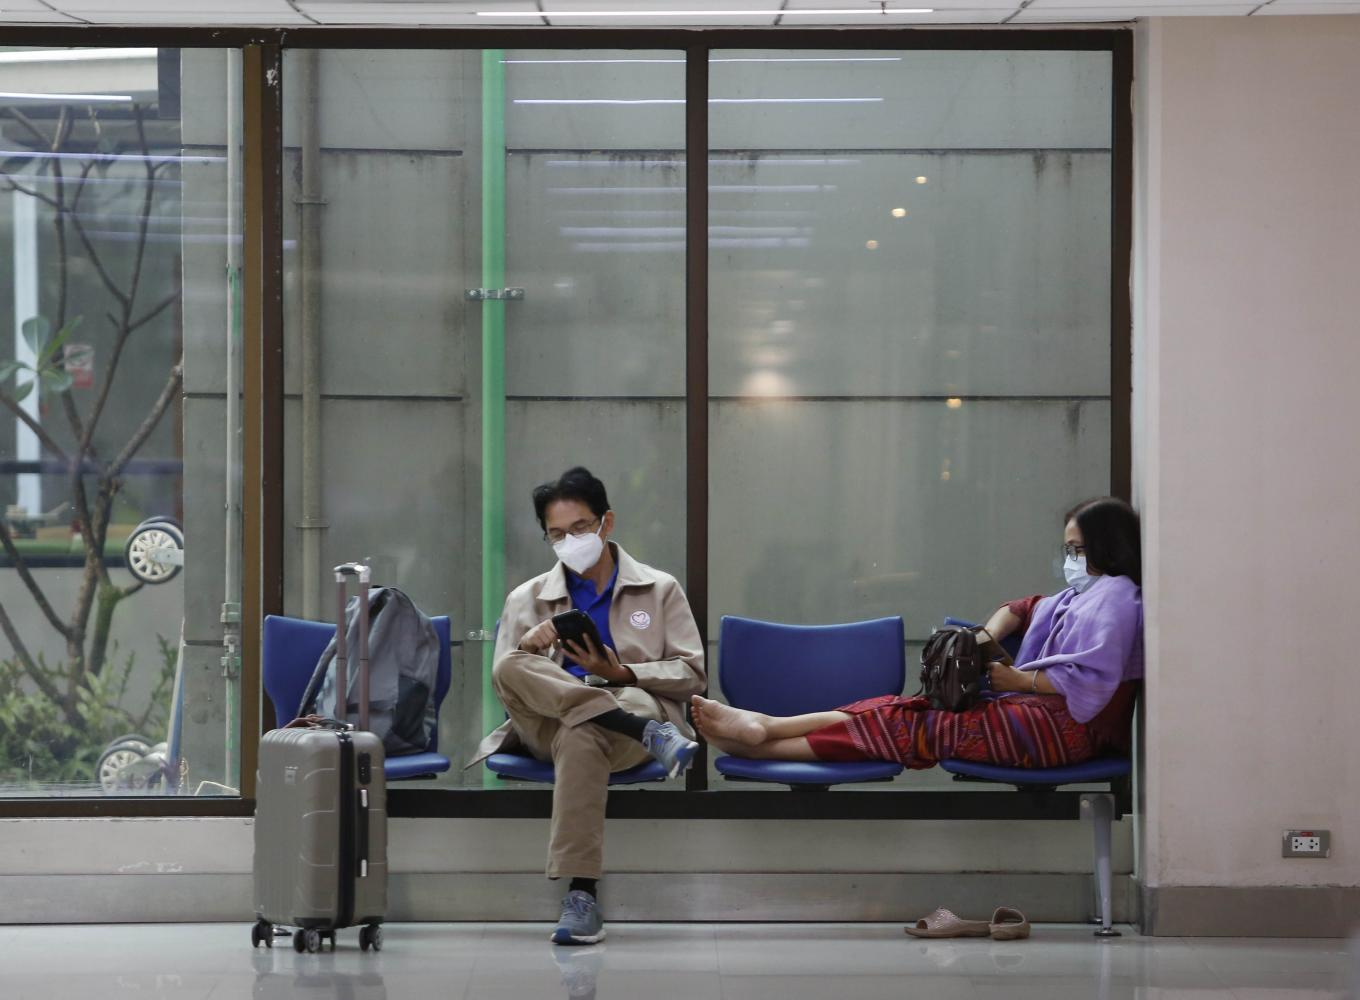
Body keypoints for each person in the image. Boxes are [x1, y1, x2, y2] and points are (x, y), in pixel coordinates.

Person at [692, 496, 1143, 772]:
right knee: (908, 709)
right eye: (1067, 550)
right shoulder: (1079, 599)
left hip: (1065, 733)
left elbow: (1089, 686)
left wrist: (1020, 681)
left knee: (923, 727)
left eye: (1079, 550)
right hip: (1037, 718)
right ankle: (766, 730)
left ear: (1107, 548)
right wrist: (985, 638)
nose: (1070, 560)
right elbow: (1022, 608)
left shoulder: (1117, 601)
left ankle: (763, 745)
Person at [470, 466, 705, 946]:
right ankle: (638, 728)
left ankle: (582, 894)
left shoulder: (659, 590)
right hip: (552, 726)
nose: (569, 541)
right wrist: (534, 650)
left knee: (586, 732)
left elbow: (692, 674)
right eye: (556, 534)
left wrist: (625, 674)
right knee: (508, 665)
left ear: (606, 524)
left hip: (624, 715)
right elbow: (510, 684)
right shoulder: (526, 598)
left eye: (579, 529)